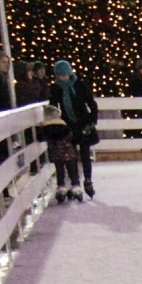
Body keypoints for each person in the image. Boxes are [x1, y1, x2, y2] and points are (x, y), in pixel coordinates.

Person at [46, 60, 99, 199]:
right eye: (60, 75)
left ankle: (88, 180)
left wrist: (92, 121)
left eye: (65, 74)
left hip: (83, 123)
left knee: (85, 154)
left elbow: (91, 103)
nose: (64, 77)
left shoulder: (79, 85)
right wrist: (56, 125)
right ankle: (75, 184)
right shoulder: (56, 88)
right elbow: (53, 108)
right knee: (71, 156)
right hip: (68, 126)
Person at [38, 105, 85, 203]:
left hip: (56, 152)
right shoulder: (65, 127)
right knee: (72, 169)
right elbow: (71, 137)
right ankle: (75, 186)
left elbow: (41, 138)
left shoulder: (46, 129)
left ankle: (61, 187)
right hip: (68, 151)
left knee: (60, 170)